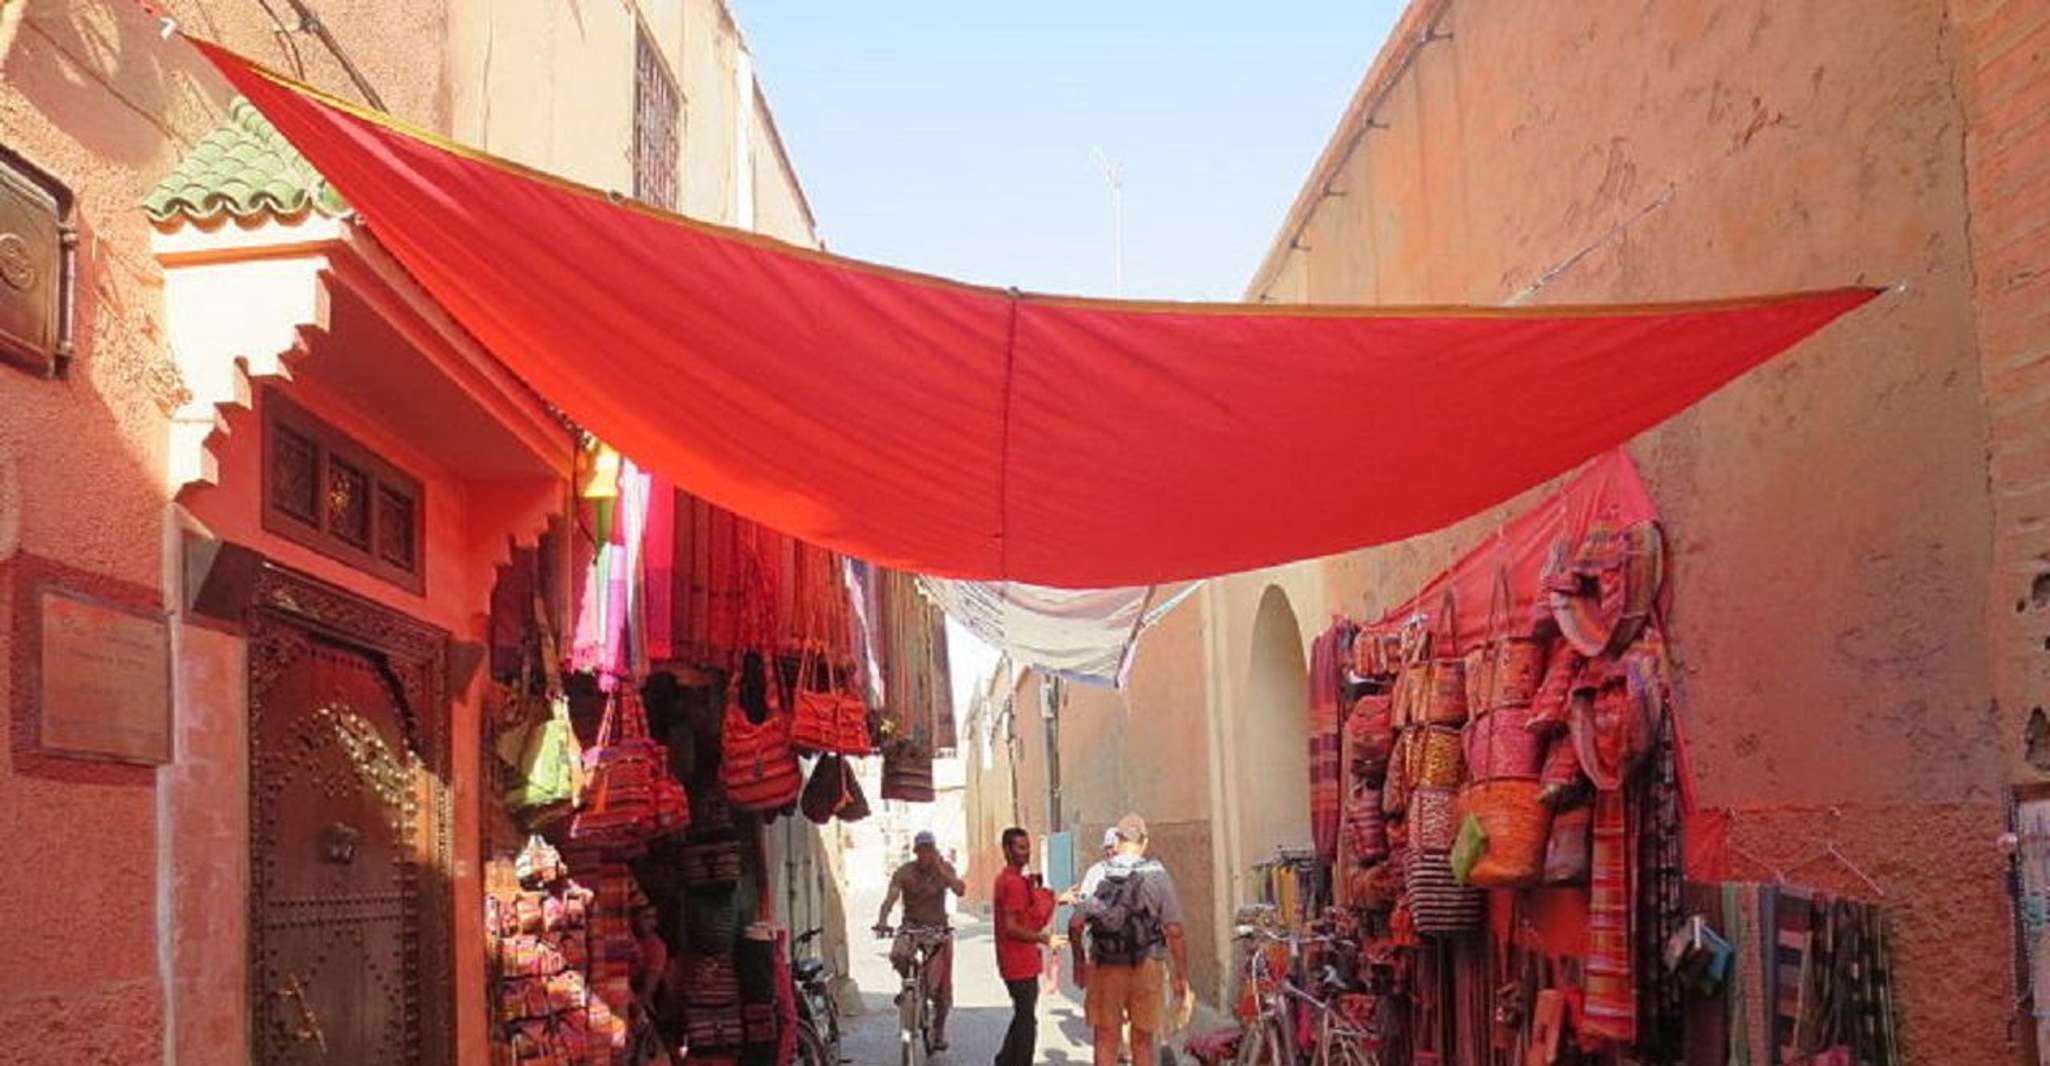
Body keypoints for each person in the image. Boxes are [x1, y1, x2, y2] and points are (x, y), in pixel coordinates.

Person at [1070, 814, 1190, 1066]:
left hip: (1104, 964)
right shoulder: (1157, 874)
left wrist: (1079, 963)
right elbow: (1175, 930)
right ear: (1144, 841)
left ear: (1118, 839)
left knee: (1105, 1038)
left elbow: (1075, 924)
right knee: (1142, 1041)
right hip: (1146, 964)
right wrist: (1181, 975)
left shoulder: (1096, 873)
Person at [874, 830, 968, 1051]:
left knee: (941, 990)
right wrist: (882, 920)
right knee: (897, 954)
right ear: (915, 852)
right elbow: (890, 898)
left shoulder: (944, 869)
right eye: (921, 850)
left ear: (934, 850)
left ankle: (938, 1033)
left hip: (938, 931)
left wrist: (941, 870)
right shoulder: (905, 872)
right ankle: (911, 981)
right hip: (911, 928)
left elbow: (960, 889)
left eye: (929, 850)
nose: (925, 855)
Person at [993, 826, 1058, 1066]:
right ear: (1007, 850)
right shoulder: (1011, 882)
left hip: (1018, 961)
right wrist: (1043, 938)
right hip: (1017, 961)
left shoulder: (1011, 880)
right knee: (1027, 1022)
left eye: (1027, 847)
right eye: (1020, 847)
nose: (1026, 853)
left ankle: (1004, 1061)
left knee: (1023, 1016)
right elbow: (1011, 926)